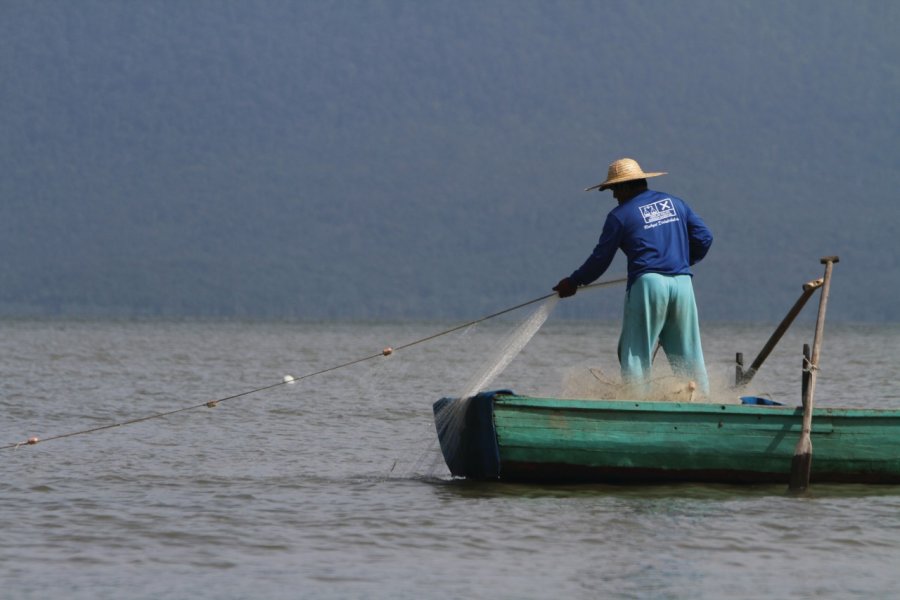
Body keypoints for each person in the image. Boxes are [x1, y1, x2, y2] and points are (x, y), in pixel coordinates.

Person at [553, 157, 713, 397]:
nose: (614, 196)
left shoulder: (620, 216)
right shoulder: (676, 204)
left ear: (627, 186)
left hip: (649, 284)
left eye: (615, 189)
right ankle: (703, 402)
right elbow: (705, 238)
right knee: (688, 352)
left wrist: (574, 281)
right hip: (682, 284)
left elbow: (600, 259)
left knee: (635, 352)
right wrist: (681, 261)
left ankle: (636, 403)